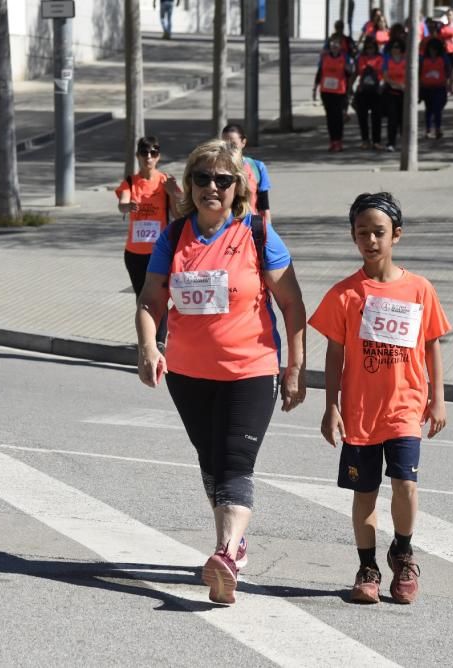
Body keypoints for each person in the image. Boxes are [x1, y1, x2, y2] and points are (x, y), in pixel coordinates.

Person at [135, 139, 307, 606]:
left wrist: (295, 366)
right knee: (211, 460)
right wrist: (149, 346)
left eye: (223, 179)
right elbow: (152, 300)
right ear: (189, 184)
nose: (212, 187)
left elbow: (292, 304)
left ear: (238, 188)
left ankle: (226, 554)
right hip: (189, 374)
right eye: (202, 178)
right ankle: (232, 545)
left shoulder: (257, 233)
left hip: (251, 368)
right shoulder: (174, 237)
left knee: (235, 460)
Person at [308, 191, 450, 605]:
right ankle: (367, 565)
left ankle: (402, 551)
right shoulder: (345, 294)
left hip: (405, 407)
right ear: (353, 237)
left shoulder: (419, 289)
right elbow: (334, 354)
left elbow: (432, 345)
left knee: (405, 484)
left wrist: (438, 398)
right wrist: (330, 406)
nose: (370, 240)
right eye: (362, 233)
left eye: (379, 232)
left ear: (397, 235)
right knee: (365, 492)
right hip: (360, 412)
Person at [116, 136, 182, 347]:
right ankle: (147, 341)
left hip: (159, 251)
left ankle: (159, 341)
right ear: (138, 156)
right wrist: (128, 207)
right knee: (142, 297)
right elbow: (122, 203)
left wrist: (173, 194)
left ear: (158, 156)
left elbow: (178, 214)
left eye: (153, 153)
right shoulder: (130, 181)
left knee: (160, 296)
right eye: (144, 153)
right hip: (134, 253)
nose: (148, 157)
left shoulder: (164, 181)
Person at [221, 124, 272, 223]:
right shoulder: (216, 168)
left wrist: (267, 230)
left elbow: (264, 205)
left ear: (243, 142)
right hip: (223, 227)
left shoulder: (257, 167)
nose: (228, 149)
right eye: (224, 144)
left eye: (233, 144)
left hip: (250, 225)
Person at [314, 36, 354, 152]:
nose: (335, 46)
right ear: (329, 45)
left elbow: (349, 73)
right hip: (326, 91)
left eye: (337, 44)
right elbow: (320, 72)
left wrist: (348, 69)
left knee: (338, 117)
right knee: (330, 117)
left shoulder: (345, 57)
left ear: (341, 46)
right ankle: (332, 141)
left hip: (340, 92)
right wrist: (315, 88)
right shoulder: (324, 57)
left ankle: (338, 141)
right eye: (333, 43)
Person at [353, 39, 384, 150]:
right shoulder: (361, 58)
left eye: (372, 47)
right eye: (367, 48)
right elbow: (358, 72)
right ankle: (365, 140)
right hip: (363, 90)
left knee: (376, 117)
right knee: (362, 117)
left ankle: (376, 141)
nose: (369, 50)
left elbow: (383, 73)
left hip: (376, 90)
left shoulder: (380, 58)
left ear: (375, 48)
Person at [420, 38, 450, 139]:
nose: (433, 51)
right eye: (431, 49)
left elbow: (449, 71)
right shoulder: (423, 59)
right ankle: (428, 130)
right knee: (428, 109)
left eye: (435, 49)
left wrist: (449, 83)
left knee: (437, 109)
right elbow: (419, 73)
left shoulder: (443, 58)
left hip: (440, 87)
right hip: (426, 88)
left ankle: (438, 128)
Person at [381, 40, 408, 152]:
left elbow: (409, 74)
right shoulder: (387, 60)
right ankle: (391, 143)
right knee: (392, 119)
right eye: (393, 47)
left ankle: (404, 143)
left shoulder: (405, 60)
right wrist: (396, 85)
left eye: (397, 47)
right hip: (391, 92)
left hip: (403, 93)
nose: (395, 49)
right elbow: (385, 76)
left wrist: (404, 86)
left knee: (403, 119)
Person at [437, 11, 453, 94]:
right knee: (447, 69)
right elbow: (440, 39)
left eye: (451, 15)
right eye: (448, 15)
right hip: (446, 50)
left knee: (452, 69)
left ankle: (452, 86)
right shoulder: (443, 27)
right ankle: (447, 85)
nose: (449, 16)